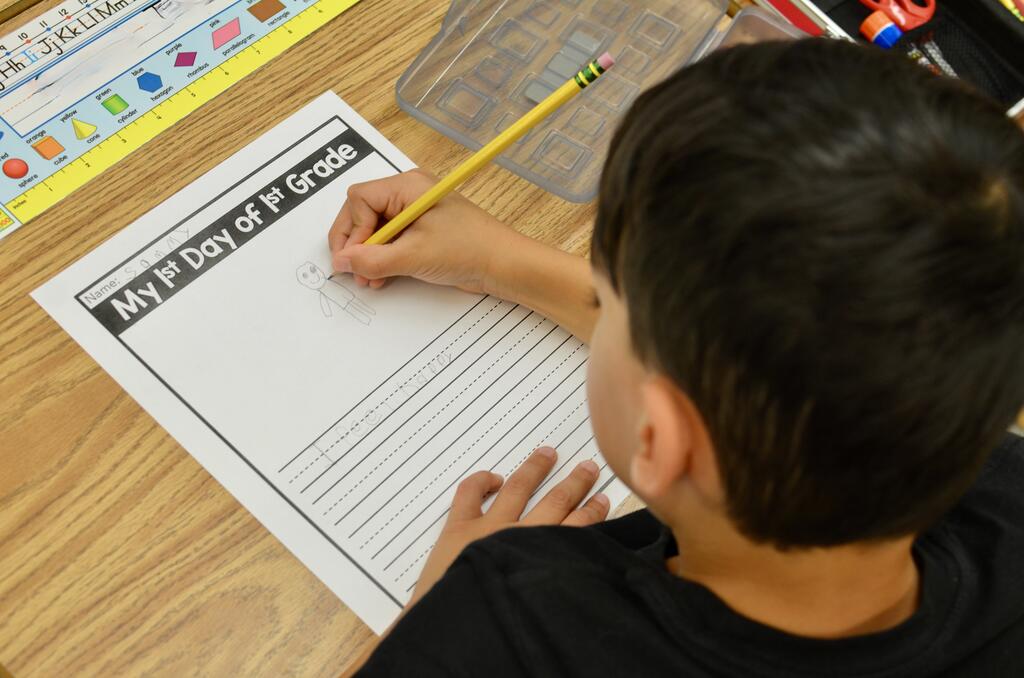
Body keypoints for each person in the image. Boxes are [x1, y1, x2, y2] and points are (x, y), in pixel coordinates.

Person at [329, 39, 1024, 676]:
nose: (593, 302)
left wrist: (434, 615)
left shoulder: (498, 629)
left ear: (658, 441)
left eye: (604, 300)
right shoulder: (992, 479)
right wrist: (496, 261)